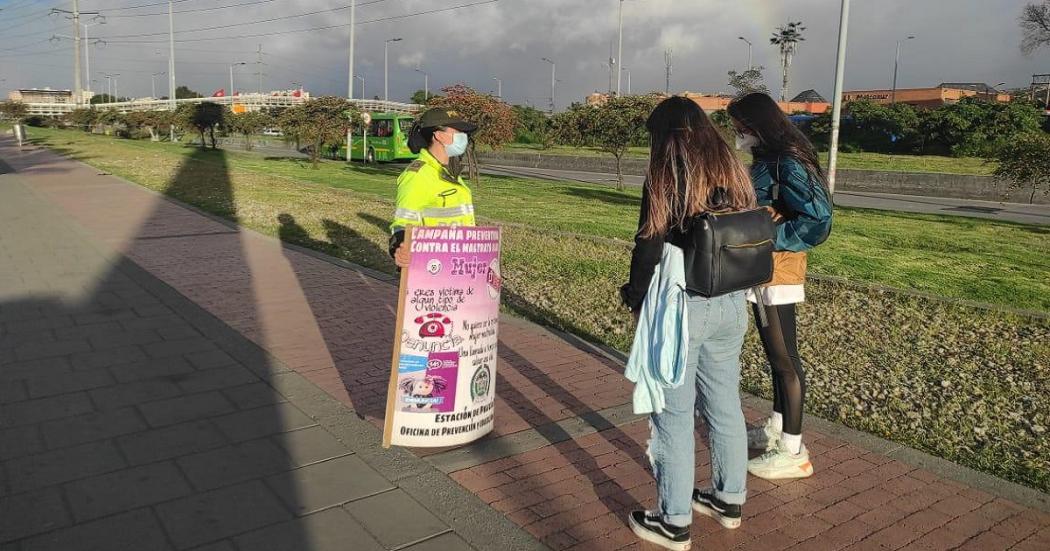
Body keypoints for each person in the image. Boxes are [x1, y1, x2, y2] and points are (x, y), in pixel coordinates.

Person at [620, 96, 757, 551]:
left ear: (665, 135)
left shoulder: (667, 173)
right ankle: (728, 497)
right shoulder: (731, 169)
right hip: (731, 301)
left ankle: (674, 521)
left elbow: (649, 244)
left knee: (673, 416)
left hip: (683, 307)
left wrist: (633, 296)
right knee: (724, 404)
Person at [727, 92, 833, 480]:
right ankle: (776, 427)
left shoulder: (789, 160)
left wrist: (771, 236)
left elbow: (818, 221)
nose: (737, 133)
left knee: (786, 358)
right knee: (775, 357)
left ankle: (794, 450)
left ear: (758, 124)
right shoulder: (771, 158)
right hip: (760, 267)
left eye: (740, 125)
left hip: (778, 269)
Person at [389, 108, 477, 267]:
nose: (463, 136)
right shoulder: (417, 175)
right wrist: (400, 248)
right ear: (438, 135)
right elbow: (402, 224)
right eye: (457, 131)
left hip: (457, 266)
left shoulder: (449, 171)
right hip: (430, 270)